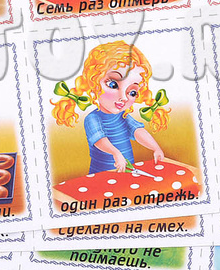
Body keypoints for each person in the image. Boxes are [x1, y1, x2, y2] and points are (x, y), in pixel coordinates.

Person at [51, 41, 170, 174]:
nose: (123, 98)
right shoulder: (93, 118)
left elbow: (138, 131)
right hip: (102, 174)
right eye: (113, 85)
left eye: (132, 92)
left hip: (128, 173)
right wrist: (115, 153)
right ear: (94, 82)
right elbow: (99, 140)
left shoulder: (122, 116)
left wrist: (155, 148)